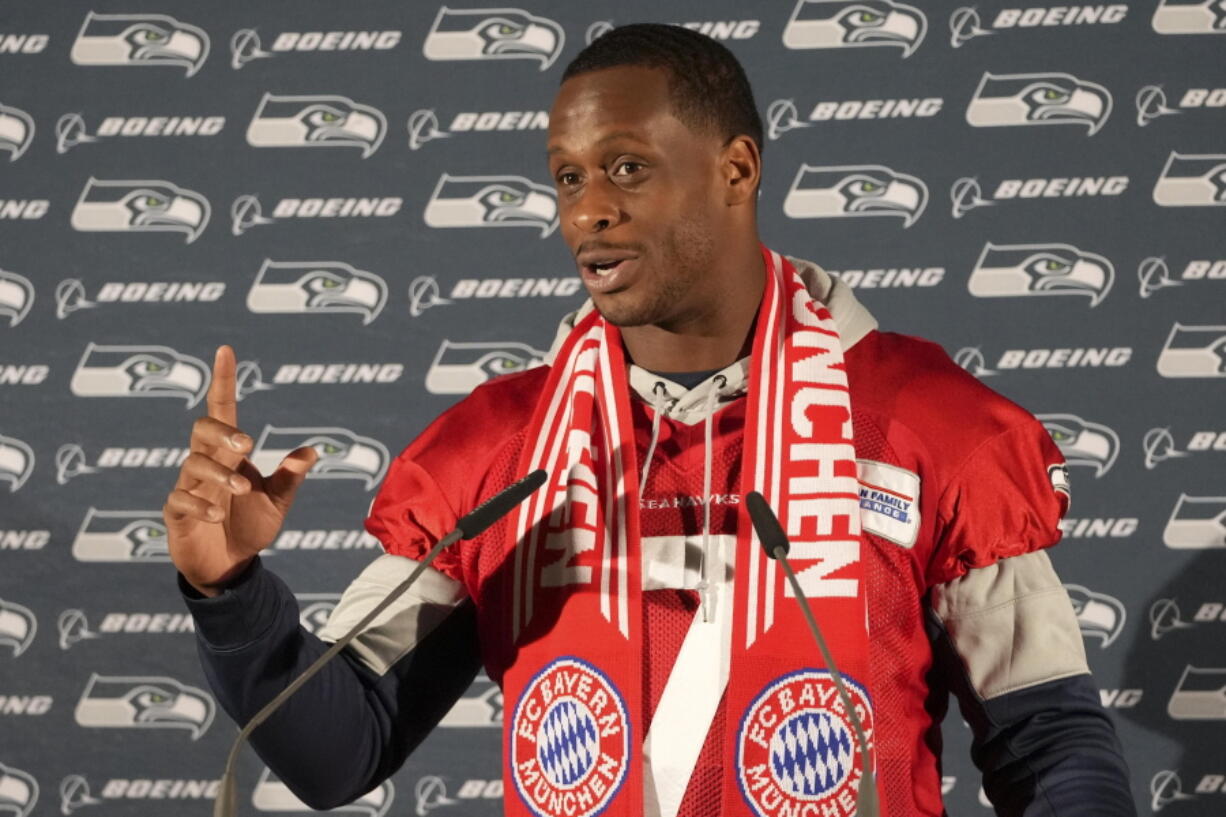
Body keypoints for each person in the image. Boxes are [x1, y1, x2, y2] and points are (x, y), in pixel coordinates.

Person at [166, 24, 1135, 817]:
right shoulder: (497, 450)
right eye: (566, 178)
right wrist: (229, 590)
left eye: (625, 169)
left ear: (736, 169)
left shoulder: (929, 423)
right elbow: (338, 750)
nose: (586, 211)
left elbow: (1047, 745)